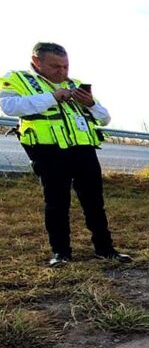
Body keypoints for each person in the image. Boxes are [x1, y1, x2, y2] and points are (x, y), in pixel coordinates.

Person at [1, 42, 130, 267]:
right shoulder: (18, 79)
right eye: (55, 67)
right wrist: (53, 96)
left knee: (94, 203)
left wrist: (90, 103)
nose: (62, 72)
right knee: (57, 203)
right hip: (48, 151)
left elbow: (104, 118)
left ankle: (105, 249)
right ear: (36, 62)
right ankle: (61, 253)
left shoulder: (77, 84)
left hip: (83, 150)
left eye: (65, 66)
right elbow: (10, 106)